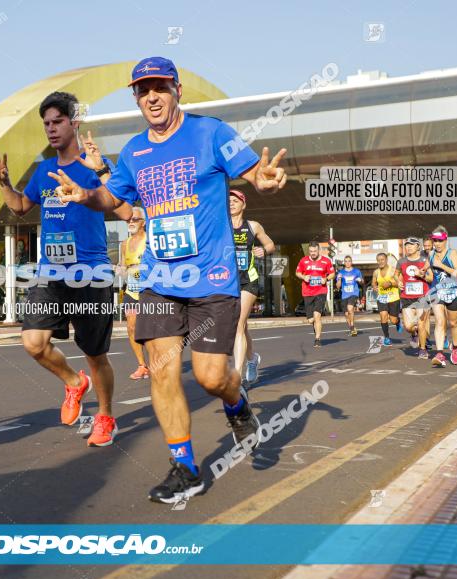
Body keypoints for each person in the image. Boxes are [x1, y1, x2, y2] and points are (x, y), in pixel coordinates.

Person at [49, 57, 288, 503]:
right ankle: (184, 467)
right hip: (160, 279)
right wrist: (86, 194)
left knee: (212, 378)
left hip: (213, 278)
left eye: (160, 87)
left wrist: (264, 178)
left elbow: (255, 172)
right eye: (143, 90)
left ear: (177, 89)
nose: (152, 96)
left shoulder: (210, 132)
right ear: (136, 98)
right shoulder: (136, 151)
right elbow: (113, 196)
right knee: (161, 370)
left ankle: (237, 406)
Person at [0, 91, 128, 447]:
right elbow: (20, 206)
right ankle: (72, 382)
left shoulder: (96, 164)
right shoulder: (43, 171)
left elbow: (124, 208)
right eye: (46, 124)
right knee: (33, 343)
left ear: (74, 122)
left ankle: (106, 416)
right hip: (52, 271)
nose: (51, 129)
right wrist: (5, 183)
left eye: (58, 121)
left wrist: (98, 174)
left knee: (95, 355)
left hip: (92, 271)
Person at [229, 188, 275, 385]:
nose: (231, 202)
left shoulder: (253, 226)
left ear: (243, 204)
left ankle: (237, 376)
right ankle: (252, 359)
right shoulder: (220, 224)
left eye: (235, 200)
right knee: (243, 326)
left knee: (237, 325)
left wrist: (263, 250)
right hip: (227, 281)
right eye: (228, 200)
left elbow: (271, 244)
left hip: (248, 280)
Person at [120, 207, 149, 380]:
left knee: (151, 328)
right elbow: (123, 267)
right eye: (128, 220)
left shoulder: (150, 240)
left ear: (143, 223)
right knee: (131, 327)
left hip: (150, 290)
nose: (131, 222)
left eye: (135, 219)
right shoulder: (124, 244)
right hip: (132, 290)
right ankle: (142, 365)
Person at [428, 227, 457, 366]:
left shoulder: (452, 252)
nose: (437, 243)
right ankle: (440, 353)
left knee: (453, 323)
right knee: (440, 321)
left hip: (453, 292)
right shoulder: (431, 254)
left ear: (445, 240)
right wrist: (421, 273)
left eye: (439, 241)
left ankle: (455, 348)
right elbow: (428, 273)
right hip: (437, 292)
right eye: (435, 240)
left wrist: (441, 265)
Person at [396, 237, 433, 356]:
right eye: (406, 245)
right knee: (408, 326)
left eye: (411, 245)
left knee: (422, 324)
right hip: (406, 297)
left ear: (418, 247)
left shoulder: (425, 260)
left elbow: (431, 278)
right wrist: (398, 281)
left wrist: (422, 276)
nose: (408, 247)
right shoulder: (401, 261)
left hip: (422, 296)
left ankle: (422, 350)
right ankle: (414, 333)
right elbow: (396, 275)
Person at [295, 242, 335, 348]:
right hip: (307, 292)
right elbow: (297, 272)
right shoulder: (304, 261)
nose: (313, 253)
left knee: (317, 316)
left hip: (321, 292)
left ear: (319, 250)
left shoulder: (326, 261)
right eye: (311, 251)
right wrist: (304, 277)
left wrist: (325, 279)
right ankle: (315, 329)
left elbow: (332, 274)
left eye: (315, 251)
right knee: (311, 320)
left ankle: (317, 339)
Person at [372, 253, 401, 346]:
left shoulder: (393, 271)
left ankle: (398, 321)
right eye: (378, 260)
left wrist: (390, 283)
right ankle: (387, 337)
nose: (380, 262)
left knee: (393, 320)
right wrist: (374, 286)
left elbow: (400, 283)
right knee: (383, 316)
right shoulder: (376, 272)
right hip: (382, 297)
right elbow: (373, 282)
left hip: (393, 298)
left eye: (382, 259)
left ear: (386, 260)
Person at [335, 255, 363, 336]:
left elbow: (362, 282)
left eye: (349, 261)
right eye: (346, 261)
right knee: (346, 314)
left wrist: (360, 280)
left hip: (354, 293)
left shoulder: (356, 271)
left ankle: (352, 326)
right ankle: (352, 328)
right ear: (344, 263)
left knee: (350, 308)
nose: (347, 263)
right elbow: (338, 286)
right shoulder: (341, 272)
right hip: (344, 295)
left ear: (351, 262)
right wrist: (339, 279)